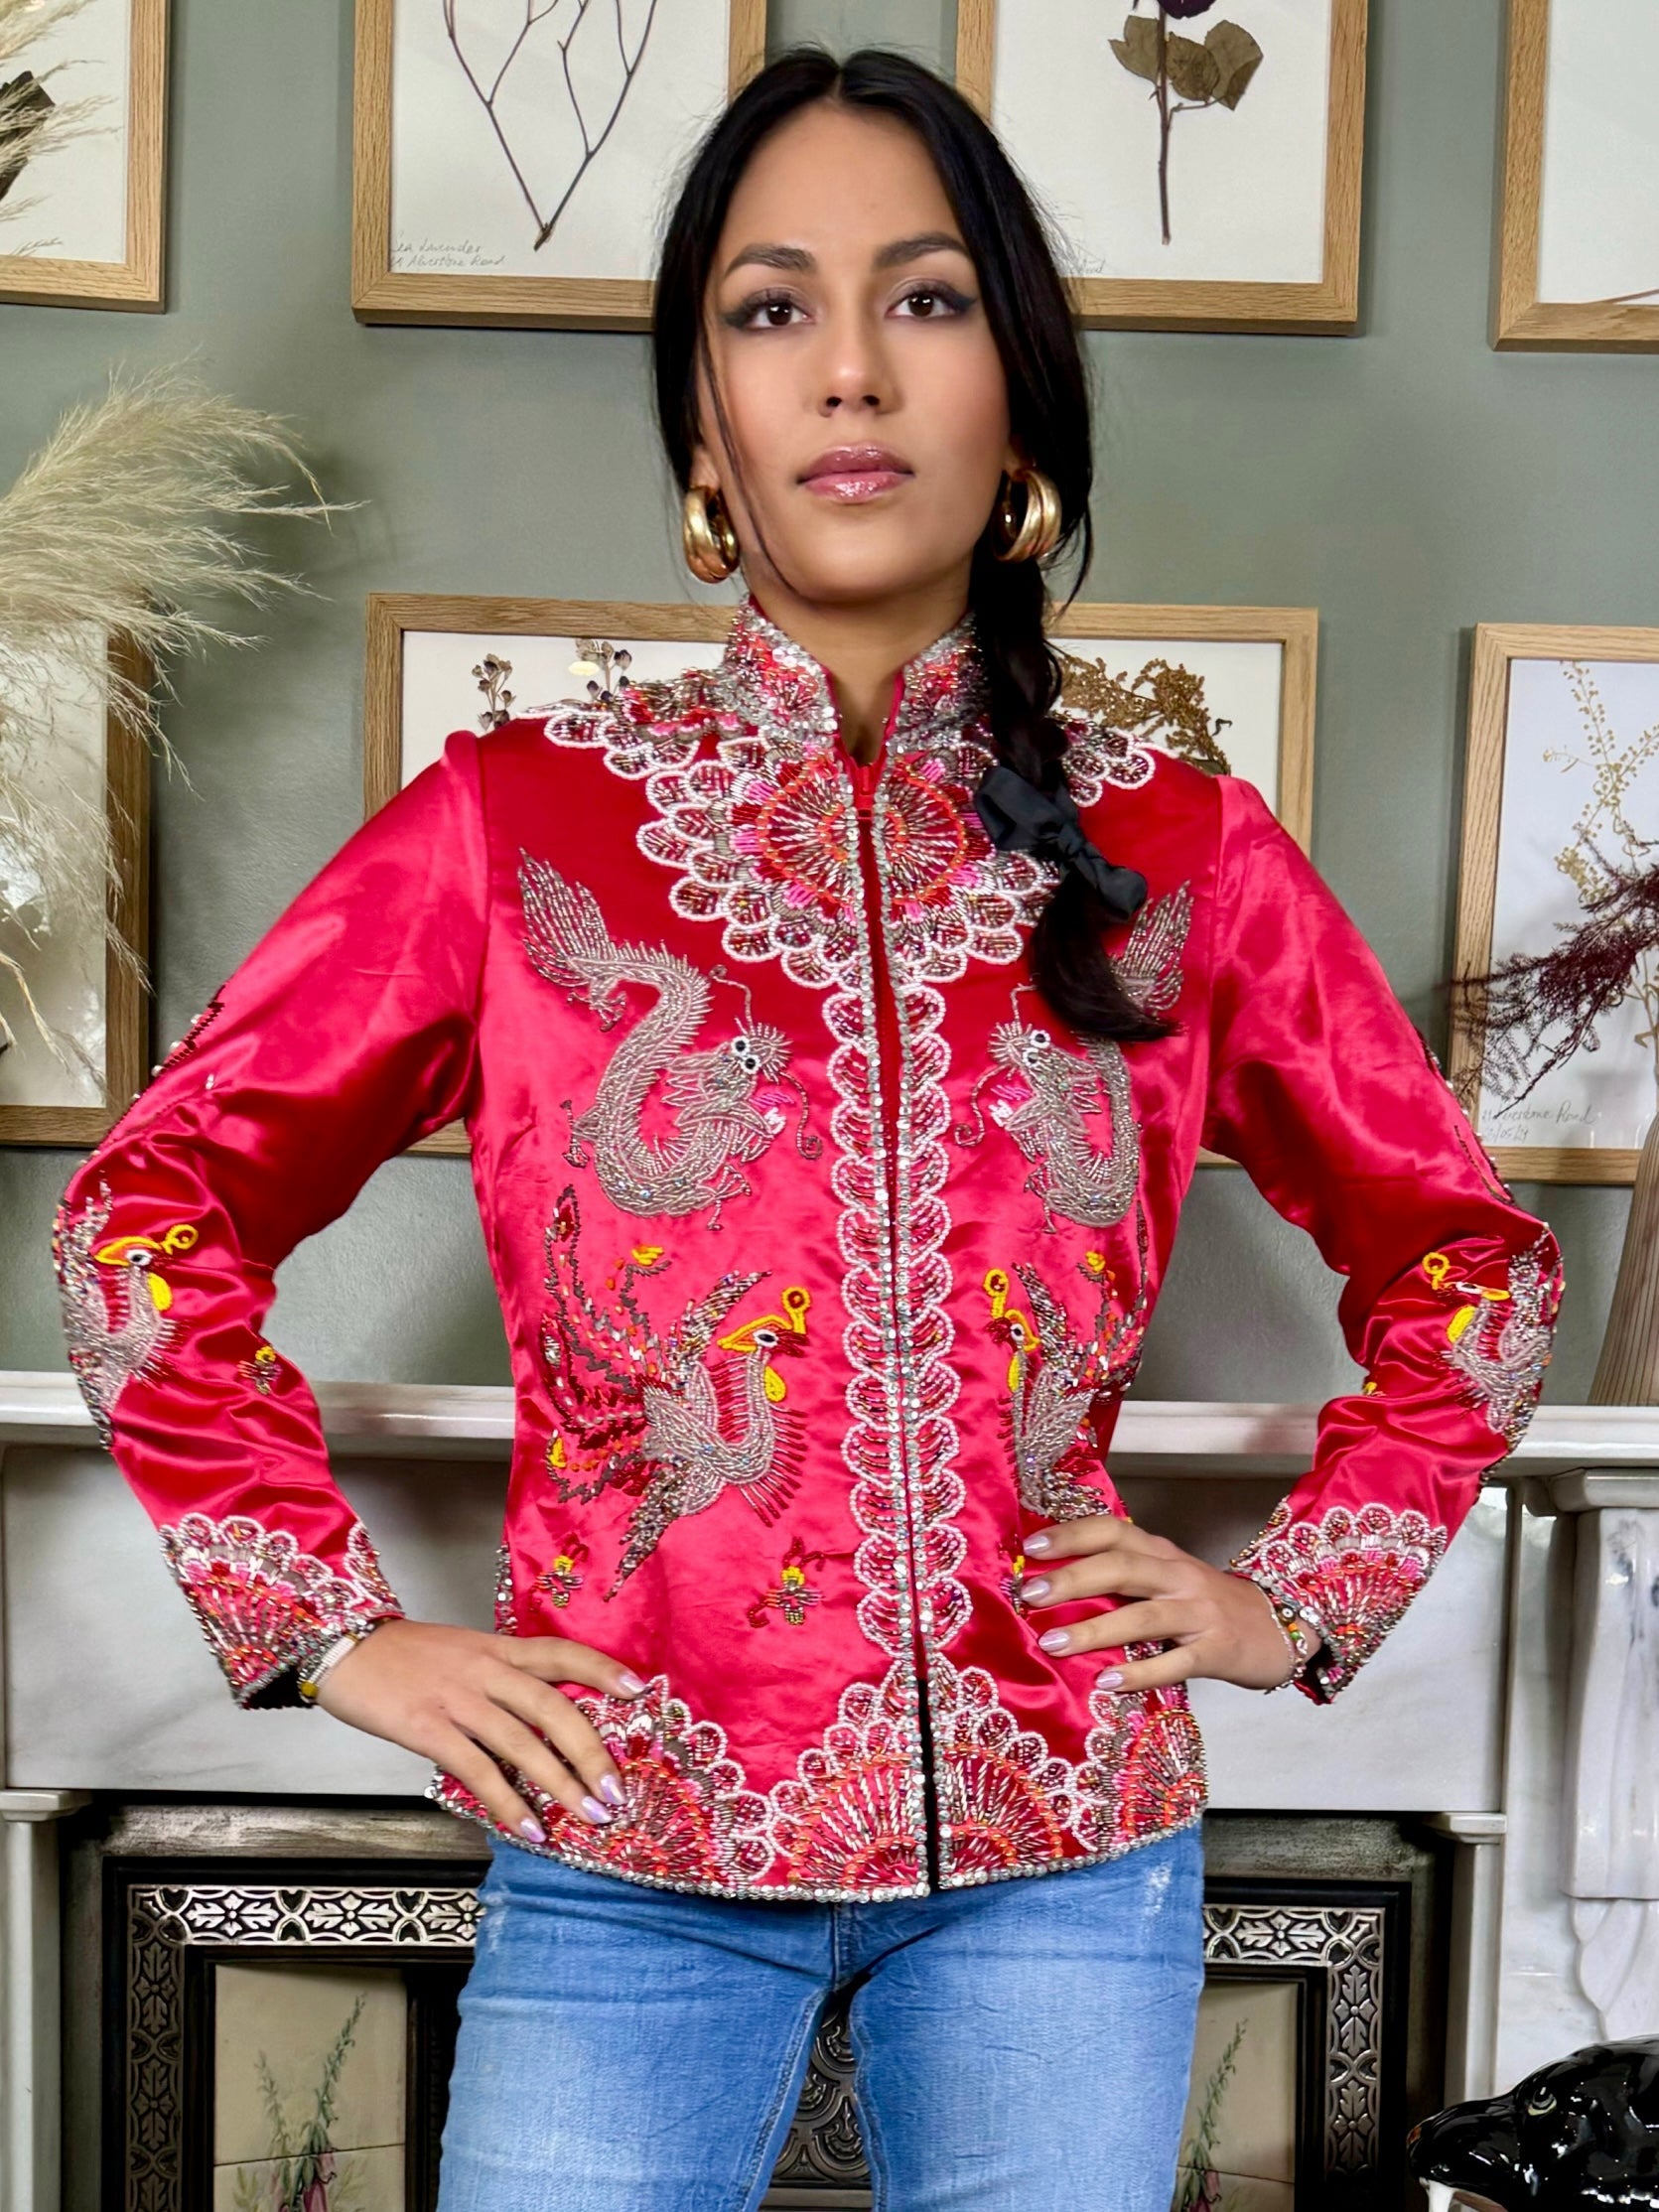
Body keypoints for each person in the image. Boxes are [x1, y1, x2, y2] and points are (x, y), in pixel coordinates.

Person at [51, 45, 1564, 2212]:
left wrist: (1296, 1600)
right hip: (625, 1837)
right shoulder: (513, 825)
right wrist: (334, 1628)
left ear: (1018, 405)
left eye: (925, 299)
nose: (849, 368)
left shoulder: (1179, 846)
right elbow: (148, 1217)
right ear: (705, 426)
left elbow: (1467, 1264)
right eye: (772, 309)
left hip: (1063, 1849)